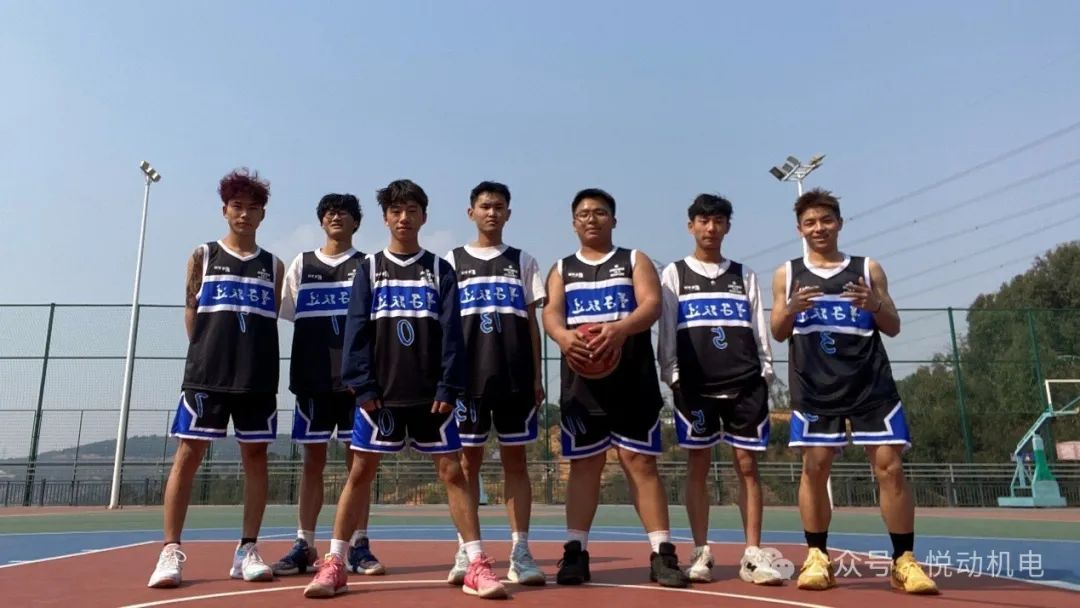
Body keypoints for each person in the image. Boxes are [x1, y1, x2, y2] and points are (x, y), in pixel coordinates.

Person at [303, 179, 507, 599]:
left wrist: (449, 387)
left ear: (423, 217)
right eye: (396, 211)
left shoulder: (439, 270)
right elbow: (356, 332)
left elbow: (452, 335)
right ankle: (335, 563)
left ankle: (476, 564)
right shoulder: (370, 269)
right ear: (385, 218)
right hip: (380, 397)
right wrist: (362, 387)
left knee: (453, 472)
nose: (403, 218)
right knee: (360, 472)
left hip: (432, 397)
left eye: (411, 210)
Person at [769, 188, 938, 595]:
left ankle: (903, 561)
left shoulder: (866, 268)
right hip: (815, 387)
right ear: (799, 229)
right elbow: (777, 331)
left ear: (840, 223)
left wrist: (875, 305)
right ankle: (817, 557)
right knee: (815, 468)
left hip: (869, 383)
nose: (819, 228)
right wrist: (790, 309)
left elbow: (893, 326)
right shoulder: (787, 274)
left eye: (826, 220)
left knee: (890, 467)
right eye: (810, 222)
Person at [542, 188, 689, 588]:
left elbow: (651, 303)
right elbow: (551, 312)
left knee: (641, 464)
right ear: (573, 222)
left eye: (600, 212)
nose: (591, 219)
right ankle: (576, 551)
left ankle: (662, 553)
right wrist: (563, 336)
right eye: (583, 214)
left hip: (632, 382)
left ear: (614, 220)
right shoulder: (562, 268)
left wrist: (622, 328)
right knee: (584, 465)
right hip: (582, 386)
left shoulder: (633, 259)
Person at [148, 168, 284, 588]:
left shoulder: (273, 265)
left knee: (256, 458)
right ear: (224, 210)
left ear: (262, 214)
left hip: (257, 379)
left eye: (252, 207)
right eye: (237, 206)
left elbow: (269, 318)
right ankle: (170, 551)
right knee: (188, 455)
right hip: (207, 376)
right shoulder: (203, 255)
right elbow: (192, 315)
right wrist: (210, 354)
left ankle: (247, 549)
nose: (244, 214)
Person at [658, 194, 783, 585]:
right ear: (690, 225)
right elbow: (666, 328)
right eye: (703, 220)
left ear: (727, 226)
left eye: (718, 221)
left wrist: (765, 371)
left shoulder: (744, 275)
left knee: (747, 465)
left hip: (744, 383)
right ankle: (701, 551)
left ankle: (752, 553)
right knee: (698, 465)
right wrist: (672, 374)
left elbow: (758, 324)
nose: (710, 228)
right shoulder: (675, 273)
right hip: (695, 386)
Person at [271, 194, 383, 577]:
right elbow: (288, 314)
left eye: (345, 212)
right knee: (312, 463)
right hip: (312, 381)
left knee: (359, 466)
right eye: (329, 212)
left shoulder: (368, 265)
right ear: (321, 221)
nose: (336, 216)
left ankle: (358, 545)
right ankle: (304, 544)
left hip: (356, 385)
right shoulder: (302, 264)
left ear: (356, 222)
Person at [444, 181, 547, 586]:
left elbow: (533, 324)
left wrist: (537, 375)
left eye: (499, 206)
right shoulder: (451, 261)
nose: (492, 212)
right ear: (471, 212)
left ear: (508, 214)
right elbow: (443, 326)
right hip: (467, 380)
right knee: (466, 464)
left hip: (514, 377)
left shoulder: (523, 260)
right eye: (485, 206)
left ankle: (520, 551)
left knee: (515, 462)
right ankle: (467, 550)